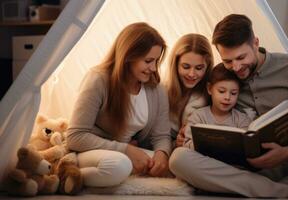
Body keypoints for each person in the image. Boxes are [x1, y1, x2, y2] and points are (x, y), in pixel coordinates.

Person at [169, 14, 288, 198]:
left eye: (241, 57)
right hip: (246, 168)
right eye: (227, 61)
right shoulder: (226, 80)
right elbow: (204, 113)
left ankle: (242, 187)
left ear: (256, 43)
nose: (236, 67)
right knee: (179, 159)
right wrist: (183, 137)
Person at [66, 22, 172, 188]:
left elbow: (162, 135)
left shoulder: (156, 89)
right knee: (118, 166)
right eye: (148, 61)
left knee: (176, 167)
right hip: (94, 152)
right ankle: (67, 175)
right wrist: (124, 149)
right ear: (129, 56)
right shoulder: (98, 79)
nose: (153, 68)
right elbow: (75, 137)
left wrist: (162, 154)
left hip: (125, 152)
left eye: (156, 61)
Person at [182, 64, 251, 150]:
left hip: (230, 162)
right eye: (221, 91)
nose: (227, 97)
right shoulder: (198, 116)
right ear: (210, 89)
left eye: (233, 93)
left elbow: (247, 148)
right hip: (201, 159)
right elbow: (186, 144)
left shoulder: (242, 120)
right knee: (178, 155)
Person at [164, 33, 213, 148]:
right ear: (175, 65)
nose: (192, 74)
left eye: (199, 68)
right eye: (186, 67)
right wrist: (174, 144)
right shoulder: (162, 90)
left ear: (207, 67)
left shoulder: (211, 96)